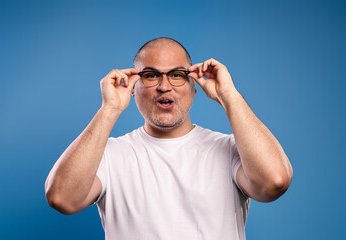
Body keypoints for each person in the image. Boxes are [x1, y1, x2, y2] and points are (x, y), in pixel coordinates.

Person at [45, 37, 293, 240]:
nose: (164, 86)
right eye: (151, 75)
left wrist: (229, 96)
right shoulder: (108, 154)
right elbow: (62, 198)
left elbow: (275, 182)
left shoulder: (229, 149)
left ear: (194, 85)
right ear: (133, 88)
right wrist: (109, 109)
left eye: (176, 74)